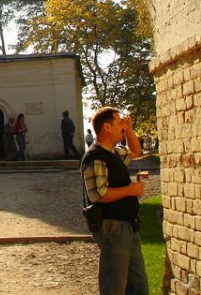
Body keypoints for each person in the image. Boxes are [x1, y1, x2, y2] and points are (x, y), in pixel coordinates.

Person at [81, 107, 148, 295]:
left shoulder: (114, 153)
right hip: (112, 227)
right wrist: (130, 190)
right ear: (107, 127)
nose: (122, 126)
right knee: (114, 286)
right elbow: (99, 195)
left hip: (127, 225)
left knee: (138, 285)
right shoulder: (95, 158)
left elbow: (136, 150)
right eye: (119, 123)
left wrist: (129, 130)